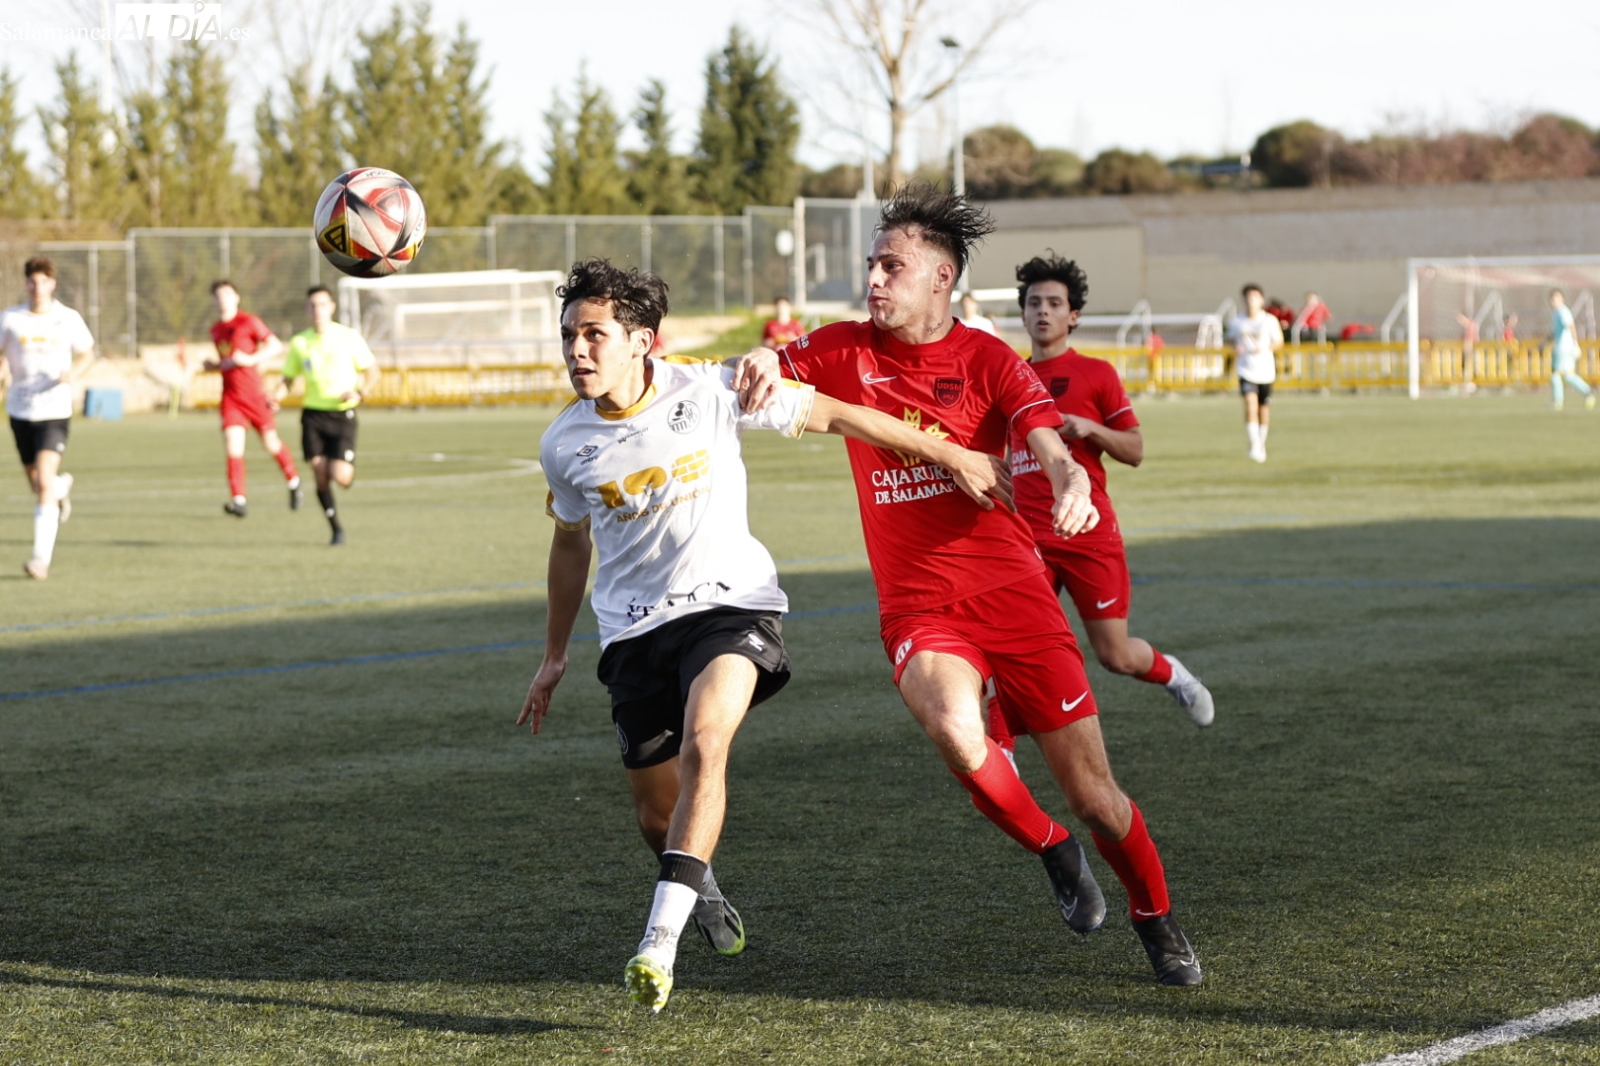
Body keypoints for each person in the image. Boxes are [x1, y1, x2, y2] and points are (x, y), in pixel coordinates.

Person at [521, 259, 1012, 1014]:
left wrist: (951, 453)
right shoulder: (564, 442)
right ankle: (700, 884)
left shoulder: (714, 388)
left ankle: (657, 941)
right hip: (631, 633)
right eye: (569, 336)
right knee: (656, 814)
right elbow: (569, 545)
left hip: (731, 608)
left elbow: (843, 414)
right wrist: (555, 655)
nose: (577, 351)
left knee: (706, 742)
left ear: (643, 340)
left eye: (594, 334)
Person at [761, 185, 1202, 986]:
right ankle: (1053, 850)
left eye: (892, 265)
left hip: (1016, 595)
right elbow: (762, 374)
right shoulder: (840, 348)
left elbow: (1048, 442)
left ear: (942, 278)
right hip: (920, 606)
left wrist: (1068, 479)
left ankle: (1156, 918)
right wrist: (758, 360)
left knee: (1098, 797)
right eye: (872, 265)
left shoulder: (988, 359)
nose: (875, 279)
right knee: (960, 735)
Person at [1007, 254, 1213, 727]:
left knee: (1115, 655)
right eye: (1034, 302)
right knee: (1015, 644)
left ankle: (1172, 673)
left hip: (1088, 533)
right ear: (1022, 312)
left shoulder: (1097, 374)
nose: (1042, 311)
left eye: (1054, 303)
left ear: (1072, 315)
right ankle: (1002, 747)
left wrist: (1091, 429)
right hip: (1027, 537)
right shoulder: (1009, 375)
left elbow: (1135, 450)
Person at [0, 256, 95, 580]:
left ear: (52, 284)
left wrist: (73, 374)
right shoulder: (11, 318)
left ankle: (40, 559)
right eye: (32, 281)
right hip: (20, 409)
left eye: (43, 281)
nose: (37, 287)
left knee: (42, 479)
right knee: (38, 484)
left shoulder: (67, 318)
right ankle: (60, 488)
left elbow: (87, 353)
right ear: (25, 283)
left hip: (54, 410)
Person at [279, 286, 379, 544]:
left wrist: (361, 392)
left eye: (322, 305)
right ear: (307, 309)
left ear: (332, 307)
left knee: (340, 476)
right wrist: (275, 396)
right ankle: (335, 527)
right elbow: (288, 379)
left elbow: (372, 371)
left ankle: (346, 473)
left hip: (342, 414)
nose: (317, 310)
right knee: (319, 473)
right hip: (313, 414)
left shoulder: (348, 337)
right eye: (312, 305)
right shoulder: (300, 342)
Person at [206, 279, 302, 517]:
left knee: (271, 444)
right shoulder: (216, 329)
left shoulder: (249, 322)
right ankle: (238, 500)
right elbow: (230, 360)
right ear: (214, 301)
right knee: (233, 446)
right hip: (231, 397)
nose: (223, 299)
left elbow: (275, 346)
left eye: (227, 294)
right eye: (218, 296)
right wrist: (216, 366)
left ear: (237, 297)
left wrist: (250, 359)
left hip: (254, 396)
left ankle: (293, 480)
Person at [1227, 284, 1281, 463]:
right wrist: (1236, 347)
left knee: (1263, 408)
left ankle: (1262, 441)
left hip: (1265, 370)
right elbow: (1230, 339)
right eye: (1248, 297)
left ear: (1261, 300)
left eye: (1255, 297)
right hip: (1246, 369)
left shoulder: (1269, 320)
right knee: (1250, 403)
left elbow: (1279, 342)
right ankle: (1254, 442)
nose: (1251, 301)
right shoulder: (1237, 321)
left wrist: (1264, 347)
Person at [1548, 289, 1594, 411]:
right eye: (1552, 299)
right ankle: (1588, 392)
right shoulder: (1557, 312)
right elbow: (1557, 331)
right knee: (1568, 375)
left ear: (1562, 299)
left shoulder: (1563, 311)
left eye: (1556, 298)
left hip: (1564, 347)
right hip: (1562, 346)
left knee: (1555, 374)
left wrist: (1575, 343)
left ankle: (1558, 401)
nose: (1554, 301)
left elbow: (1571, 326)